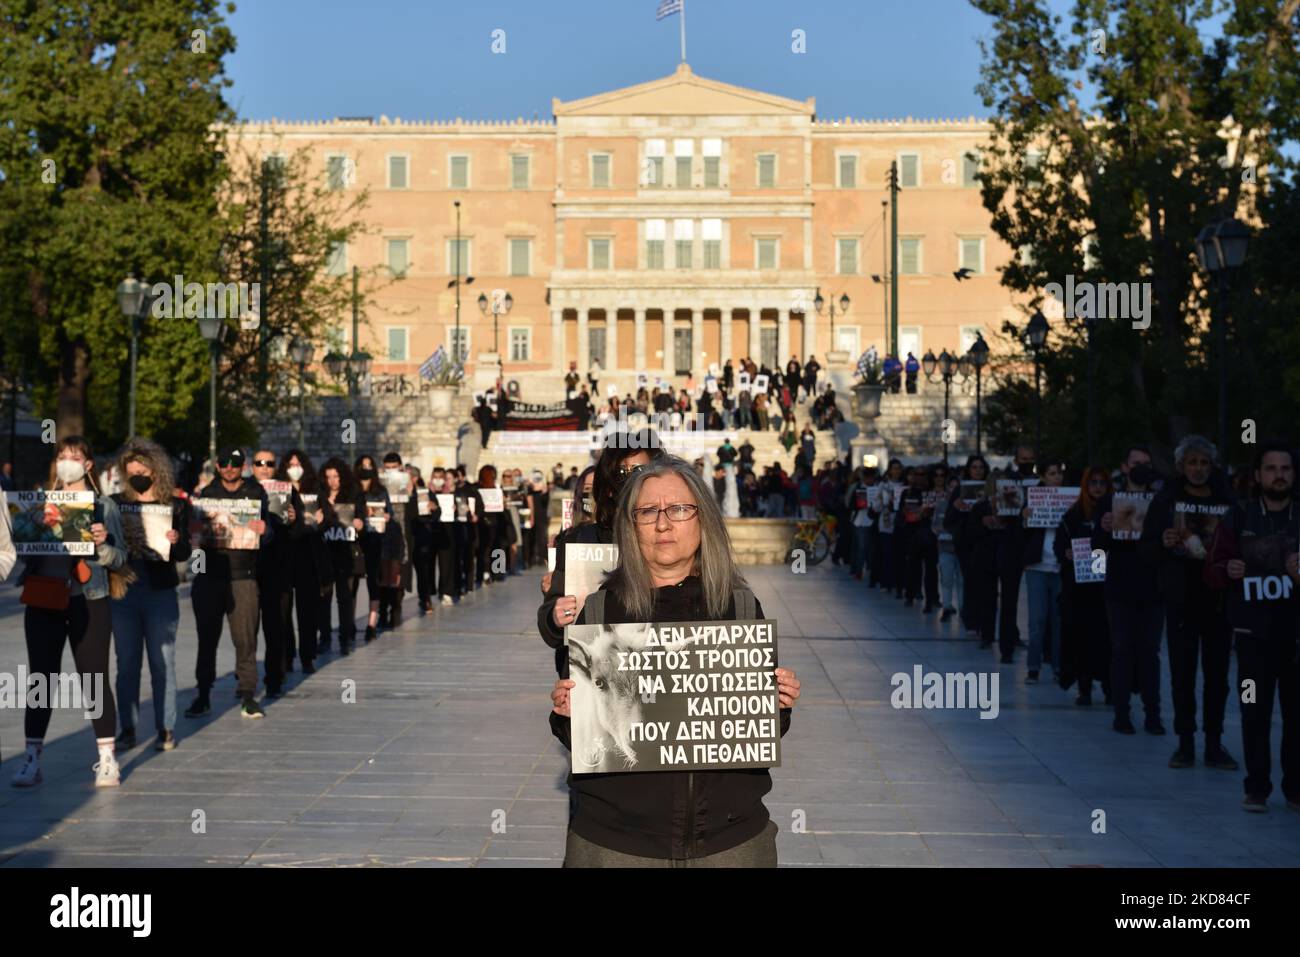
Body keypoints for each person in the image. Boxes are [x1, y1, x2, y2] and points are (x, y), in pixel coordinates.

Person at [548, 456, 801, 866]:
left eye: (680, 509)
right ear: (631, 527)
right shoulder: (599, 610)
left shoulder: (738, 606)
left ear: (704, 521)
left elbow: (754, 731)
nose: (663, 524)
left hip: (729, 842)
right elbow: (580, 737)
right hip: (615, 844)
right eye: (648, 511)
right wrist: (567, 713)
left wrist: (776, 704)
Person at [12, 438, 127, 788]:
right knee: (40, 680)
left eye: (75, 457)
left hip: (87, 598)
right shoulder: (37, 502)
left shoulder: (103, 506)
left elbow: (121, 558)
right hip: (44, 597)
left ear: (88, 465)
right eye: (62, 456)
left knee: (93, 679)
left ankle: (107, 758)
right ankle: (32, 759)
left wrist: (102, 545)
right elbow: (18, 549)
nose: (67, 463)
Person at [1205, 441, 1299, 812]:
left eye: (1286, 469)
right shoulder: (1239, 516)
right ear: (1258, 476)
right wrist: (1226, 570)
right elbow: (1210, 569)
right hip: (1251, 638)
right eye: (1272, 468)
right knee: (1253, 711)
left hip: (1294, 637)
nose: (1279, 475)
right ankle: (1256, 787)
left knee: (1296, 716)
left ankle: (1295, 788)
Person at [539, 429, 667, 676]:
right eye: (622, 474)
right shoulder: (580, 540)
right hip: (596, 681)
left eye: (641, 472)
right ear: (608, 486)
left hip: (661, 679)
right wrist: (555, 617)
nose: (632, 481)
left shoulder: (673, 539)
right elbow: (550, 623)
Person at [1143, 436, 1236, 770]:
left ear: (1212, 467)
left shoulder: (1228, 500)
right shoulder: (1167, 500)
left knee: (1217, 675)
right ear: (1181, 466)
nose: (1198, 469)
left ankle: (1214, 743)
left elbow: (1244, 543)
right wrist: (1164, 541)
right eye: (1192, 462)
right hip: (1181, 598)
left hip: (1218, 599)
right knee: (1182, 673)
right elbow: (1147, 548)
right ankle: (1185, 743)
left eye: (1204, 463)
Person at [111, 438, 190, 752]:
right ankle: (127, 727)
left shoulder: (176, 505)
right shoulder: (115, 504)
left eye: (142, 471)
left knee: (163, 661)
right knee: (127, 663)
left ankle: (166, 726)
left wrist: (177, 539)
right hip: (125, 588)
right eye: (131, 472)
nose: (137, 477)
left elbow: (184, 552)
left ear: (156, 472)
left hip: (160, 590)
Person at [186, 447, 270, 720]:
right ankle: (203, 695)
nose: (229, 468)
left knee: (245, 639)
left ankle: (248, 696)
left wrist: (265, 531)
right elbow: (194, 536)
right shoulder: (206, 496)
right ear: (218, 466)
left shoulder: (256, 493)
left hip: (243, 576)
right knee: (207, 640)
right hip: (210, 577)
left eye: (234, 463)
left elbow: (270, 533)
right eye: (224, 463)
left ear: (243, 465)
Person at [1093, 445, 1164, 735]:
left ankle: (1153, 714)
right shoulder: (1109, 501)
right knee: (1121, 650)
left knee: (1150, 652)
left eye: (1146, 463)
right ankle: (1121, 713)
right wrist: (1105, 528)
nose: (1142, 468)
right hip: (1119, 586)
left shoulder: (1162, 501)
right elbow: (1097, 545)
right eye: (1137, 463)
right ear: (1125, 467)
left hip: (1153, 587)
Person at [1054, 466, 1113, 705]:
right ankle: (1084, 686)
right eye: (1093, 483)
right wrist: (1066, 553)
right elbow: (1060, 545)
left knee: (1108, 639)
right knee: (1081, 639)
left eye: (1102, 483)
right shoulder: (1073, 515)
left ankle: (1111, 686)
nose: (1097, 487)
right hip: (1079, 590)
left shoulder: (1117, 513)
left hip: (1107, 589)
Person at [251, 448, 293, 697]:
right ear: (251, 466)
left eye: (269, 463)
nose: (264, 467)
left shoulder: (287, 490)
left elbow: (298, 530)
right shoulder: (244, 490)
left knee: (274, 625)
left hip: (276, 566)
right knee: (247, 627)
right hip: (248, 566)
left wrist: (295, 517)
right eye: (260, 463)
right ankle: (246, 677)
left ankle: (274, 677)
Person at [278, 450, 325, 667]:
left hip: (309, 554)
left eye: (298, 464)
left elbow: (327, 518)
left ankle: (307, 655)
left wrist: (322, 520)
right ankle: (287, 654)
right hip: (286, 554)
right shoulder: (278, 490)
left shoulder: (314, 490)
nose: (294, 468)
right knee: (283, 610)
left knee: (307, 609)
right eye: (290, 464)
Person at [1021, 460, 1065, 684]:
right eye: (1052, 473)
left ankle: (1058, 666)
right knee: (1037, 621)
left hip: (1059, 568)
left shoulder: (1071, 501)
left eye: (1059, 473)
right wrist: (1026, 517)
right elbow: (1023, 533)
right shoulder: (1033, 499)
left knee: (1058, 620)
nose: (1057, 477)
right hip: (1037, 567)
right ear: (1044, 477)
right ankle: (1033, 667)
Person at [319, 457, 364, 654]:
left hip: (346, 552)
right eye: (328, 477)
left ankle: (345, 637)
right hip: (324, 552)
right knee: (324, 597)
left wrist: (359, 522)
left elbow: (361, 515)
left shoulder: (353, 494)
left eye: (336, 477)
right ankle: (325, 636)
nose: (332, 481)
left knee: (345, 597)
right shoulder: (319, 495)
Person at [353, 454, 392, 642]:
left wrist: (385, 517)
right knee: (351, 581)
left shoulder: (381, 491)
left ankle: (371, 623)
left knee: (373, 582)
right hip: (355, 540)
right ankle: (348, 621)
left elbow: (389, 512)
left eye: (369, 465)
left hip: (375, 539)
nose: (366, 468)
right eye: (363, 465)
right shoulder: (351, 490)